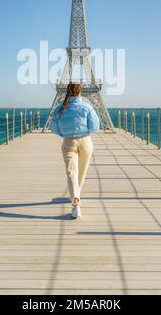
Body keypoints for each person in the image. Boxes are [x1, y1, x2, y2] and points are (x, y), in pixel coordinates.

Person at [50, 82, 100, 219]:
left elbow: (53, 127)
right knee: (81, 173)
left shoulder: (60, 108)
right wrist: (85, 132)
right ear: (80, 92)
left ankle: (75, 203)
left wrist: (63, 134)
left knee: (71, 172)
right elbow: (95, 126)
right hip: (86, 142)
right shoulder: (87, 107)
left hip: (68, 142)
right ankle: (76, 196)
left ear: (67, 91)